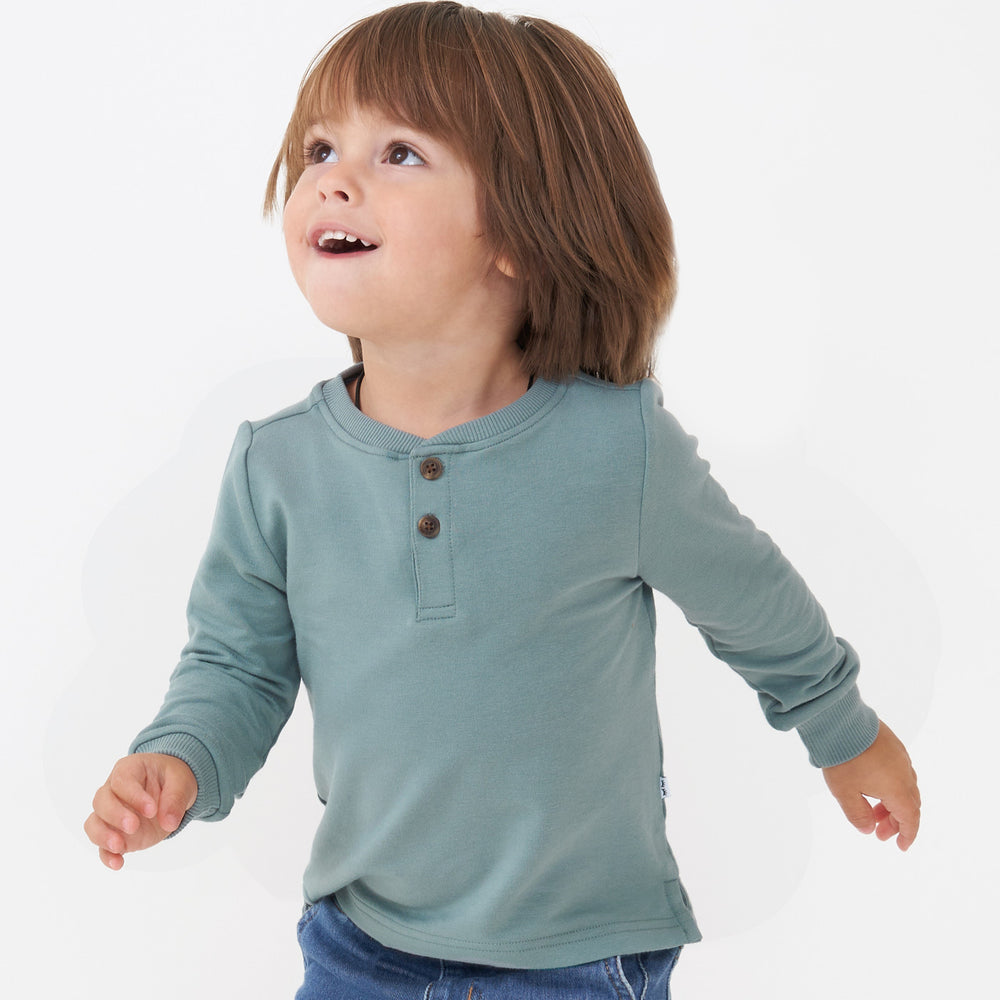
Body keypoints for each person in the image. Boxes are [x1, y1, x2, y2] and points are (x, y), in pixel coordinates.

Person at [84, 3, 921, 997]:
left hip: (576, 959)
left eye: (399, 151)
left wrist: (846, 731)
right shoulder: (280, 466)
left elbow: (750, 601)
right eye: (319, 146)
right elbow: (237, 665)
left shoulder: (616, 447)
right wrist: (179, 757)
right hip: (362, 952)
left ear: (517, 235)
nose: (333, 176)